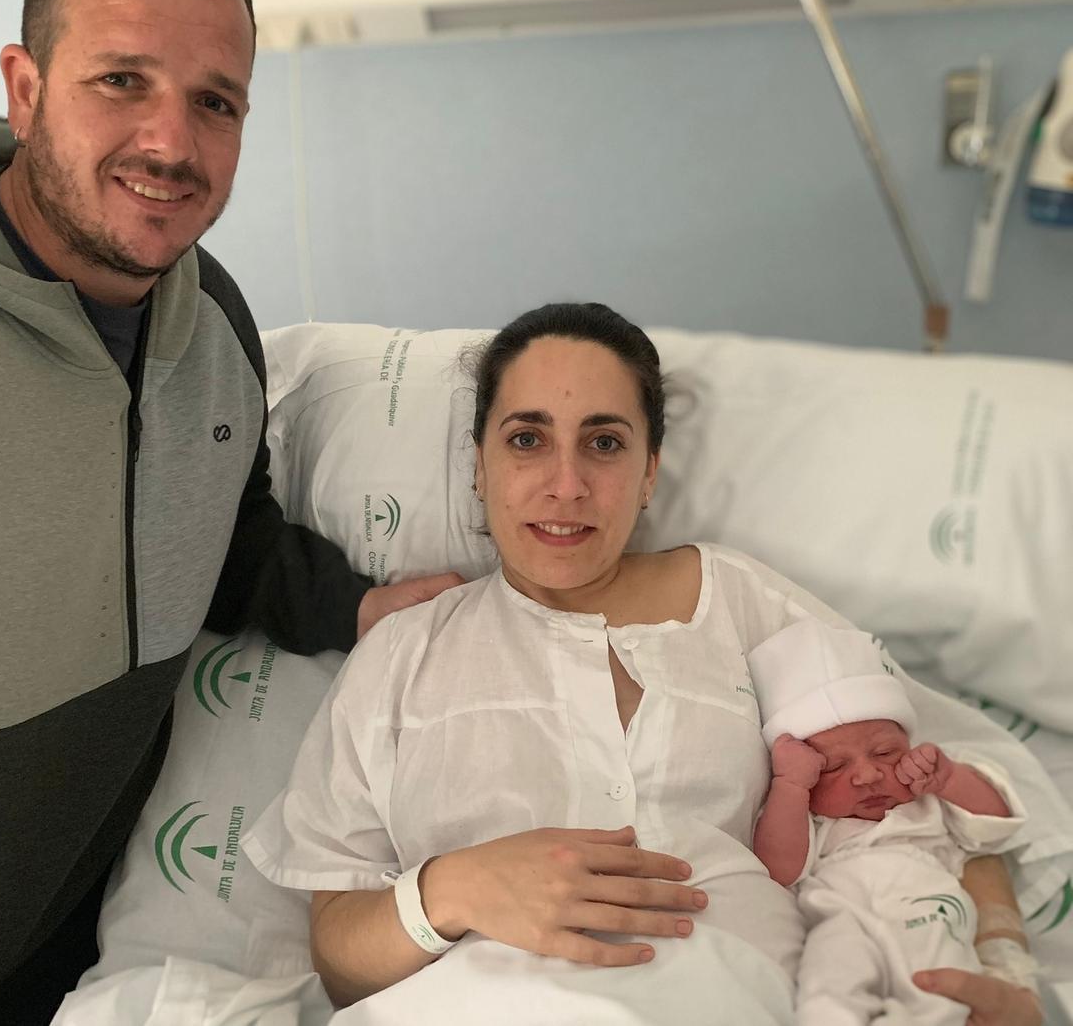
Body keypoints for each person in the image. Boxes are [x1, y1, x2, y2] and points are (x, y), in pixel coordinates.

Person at [0, 0, 459, 1023]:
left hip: (85, 953)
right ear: (25, 86)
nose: (170, 142)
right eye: (122, 81)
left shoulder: (212, 325)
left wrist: (361, 605)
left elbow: (218, 540)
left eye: (215, 102)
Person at [242, 302, 1047, 1025]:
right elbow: (339, 960)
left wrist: (1005, 966)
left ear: (650, 470)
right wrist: (450, 889)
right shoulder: (403, 652)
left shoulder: (734, 598)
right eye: (527, 439)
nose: (566, 484)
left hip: (734, 993)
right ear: (479, 467)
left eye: (604, 442)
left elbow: (933, 793)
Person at [749, 619, 1039, 1025]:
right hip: (844, 920)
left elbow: (996, 823)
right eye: (832, 768)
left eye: (885, 753)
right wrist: (791, 786)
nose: (867, 776)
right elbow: (777, 869)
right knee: (830, 985)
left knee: (940, 994)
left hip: (934, 916)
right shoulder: (813, 821)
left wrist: (950, 779)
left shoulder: (928, 806)